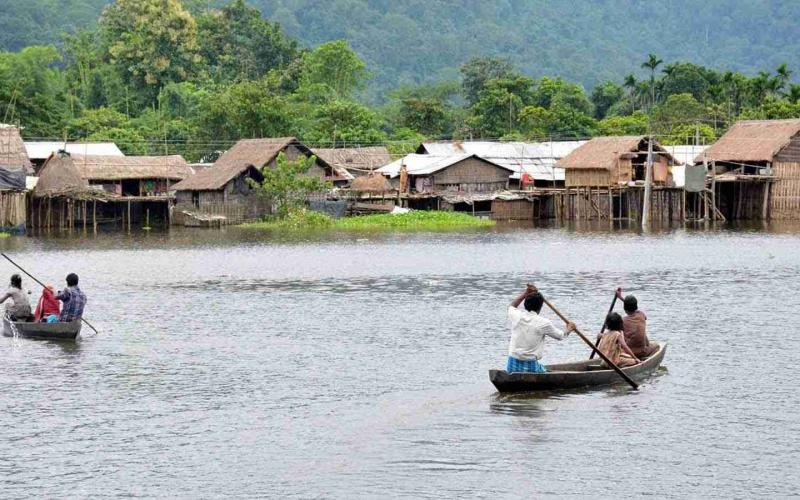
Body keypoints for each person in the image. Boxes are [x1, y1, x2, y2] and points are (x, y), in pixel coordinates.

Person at [506, 285, 576, 373]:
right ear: (540, 307)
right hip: (530, 367)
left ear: (525, 304)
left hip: (512, 365)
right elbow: (561, 336)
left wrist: (525, 293)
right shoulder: (544, 323)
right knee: (544, 370)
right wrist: (569, 329)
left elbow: (511, 306)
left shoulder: (517, 315)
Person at [621, 295, 659, 359]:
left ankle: (637, 359)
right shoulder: (641, 315)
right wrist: (621, 297)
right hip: (642, 351)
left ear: (624, 309)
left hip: (627, 352)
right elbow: (632, 307)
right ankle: (645, 359)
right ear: (636, 307)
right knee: (657, 346)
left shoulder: (622, 321)